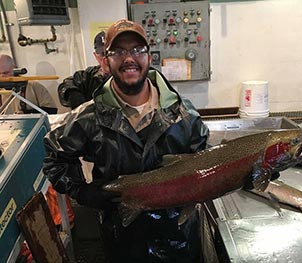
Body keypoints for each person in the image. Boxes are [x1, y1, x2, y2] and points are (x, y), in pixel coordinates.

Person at [43, 19, 209, 262]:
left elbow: (206, 165)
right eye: (119, 51)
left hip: (179, 239)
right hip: (121, 240)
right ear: (105, 61)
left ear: (149, 57)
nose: (129, 58)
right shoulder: (89, 117)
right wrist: (84, 191)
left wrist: (240, 176)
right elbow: (55, 157)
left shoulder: (184, 115)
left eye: (137, 50)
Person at [57, 31, 110, 109]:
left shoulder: (128, 75)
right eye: (103, 54)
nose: (107, 58)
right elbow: (67, 84)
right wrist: (71, 92)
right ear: (95, 56)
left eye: (110, 53)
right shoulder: (89, 76)